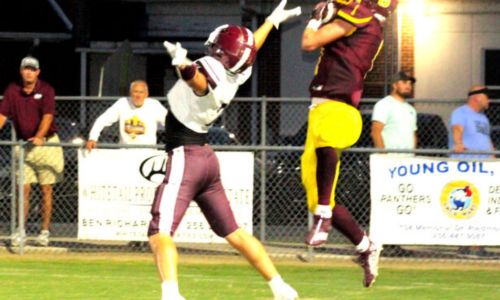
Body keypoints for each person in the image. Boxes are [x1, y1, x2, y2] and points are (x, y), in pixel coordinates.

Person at [147, 1, 301, 299]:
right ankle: (281, 288)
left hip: (185, 156)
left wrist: (183, 64)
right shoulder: (238, 72)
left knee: (159, 232)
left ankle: (171, 295)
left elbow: (200, 83)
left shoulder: (213, 67)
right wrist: (271, 21)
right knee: (235, 233)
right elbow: (249, 47)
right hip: (206, 159)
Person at [301, 0, 397, 288]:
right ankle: (365, 245)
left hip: (338, 107)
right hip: (320, 110)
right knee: (317, 195)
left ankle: (323, 217)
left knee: (322, 195)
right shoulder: (369, 21)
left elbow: (309, 42)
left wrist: (315, 19)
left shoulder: (362, 14)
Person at [0, 56, 64, 247]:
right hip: (23, 146)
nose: (29, 72)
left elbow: (47, 116)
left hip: (46, 144)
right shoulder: (12, 90)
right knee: (23, 189)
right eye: (25, 69)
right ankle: (21, 230)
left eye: (32, 69)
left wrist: (39, 136)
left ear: (38, 72)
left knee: (46, 189)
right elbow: (2, 115)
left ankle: (44, 231)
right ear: (21, 71)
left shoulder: (46, 90)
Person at [371, 70, 417, 257]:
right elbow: (376, 131)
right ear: (394, 84)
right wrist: (385, 156)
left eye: (410, 83)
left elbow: (413, 134)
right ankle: (382, 243)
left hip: (407, 164)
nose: (407, 85)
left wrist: (413, 157)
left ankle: (395, 243)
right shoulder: (384, 105)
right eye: (404, 82)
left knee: (401, 202)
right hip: (390, 163)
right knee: (386, 203)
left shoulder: (410, 109)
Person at [449, 85, 495, 257]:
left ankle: (476, 243)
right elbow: (457, 129)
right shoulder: (461, 112)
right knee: (466, 204)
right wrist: (458, 143)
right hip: (466, 167)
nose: (489, 100)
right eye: (487, 96)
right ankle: (466, 243)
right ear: (477, 97)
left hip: (482, 168)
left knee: (480, 204)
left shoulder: (483, 118)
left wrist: (493, 157)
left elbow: (486, 139)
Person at [86, 80, 167, 150]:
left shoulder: (154, 105)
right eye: (135, 92)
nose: (138, 95)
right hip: (125, 153)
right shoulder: (122, 103)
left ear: (146, 94)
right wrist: (92, 138)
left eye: (141, 92)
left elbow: (170, 124)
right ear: (130, 93)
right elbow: (102, 120)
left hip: (148, 153)